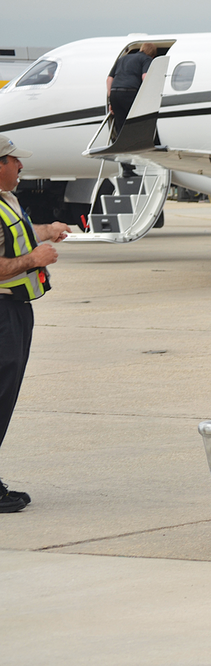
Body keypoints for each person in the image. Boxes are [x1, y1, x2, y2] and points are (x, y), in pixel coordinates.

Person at [0, 135, 71, 513]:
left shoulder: (7, 201)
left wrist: (47, 230)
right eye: (14, 160)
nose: (21, 166)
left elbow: (16, 236)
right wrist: (35, 259)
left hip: (15, 311)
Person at [106, 43, 157, 174]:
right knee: (135, 127)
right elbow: (145, 77)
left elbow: (109, 79)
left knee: (121, 131)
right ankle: (149, 153)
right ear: (152, 55)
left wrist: (111, 98)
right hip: (130, 93)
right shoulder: (146, 59)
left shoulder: (122, 59)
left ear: (141, 49)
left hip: (115, 93)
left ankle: (126, 168)